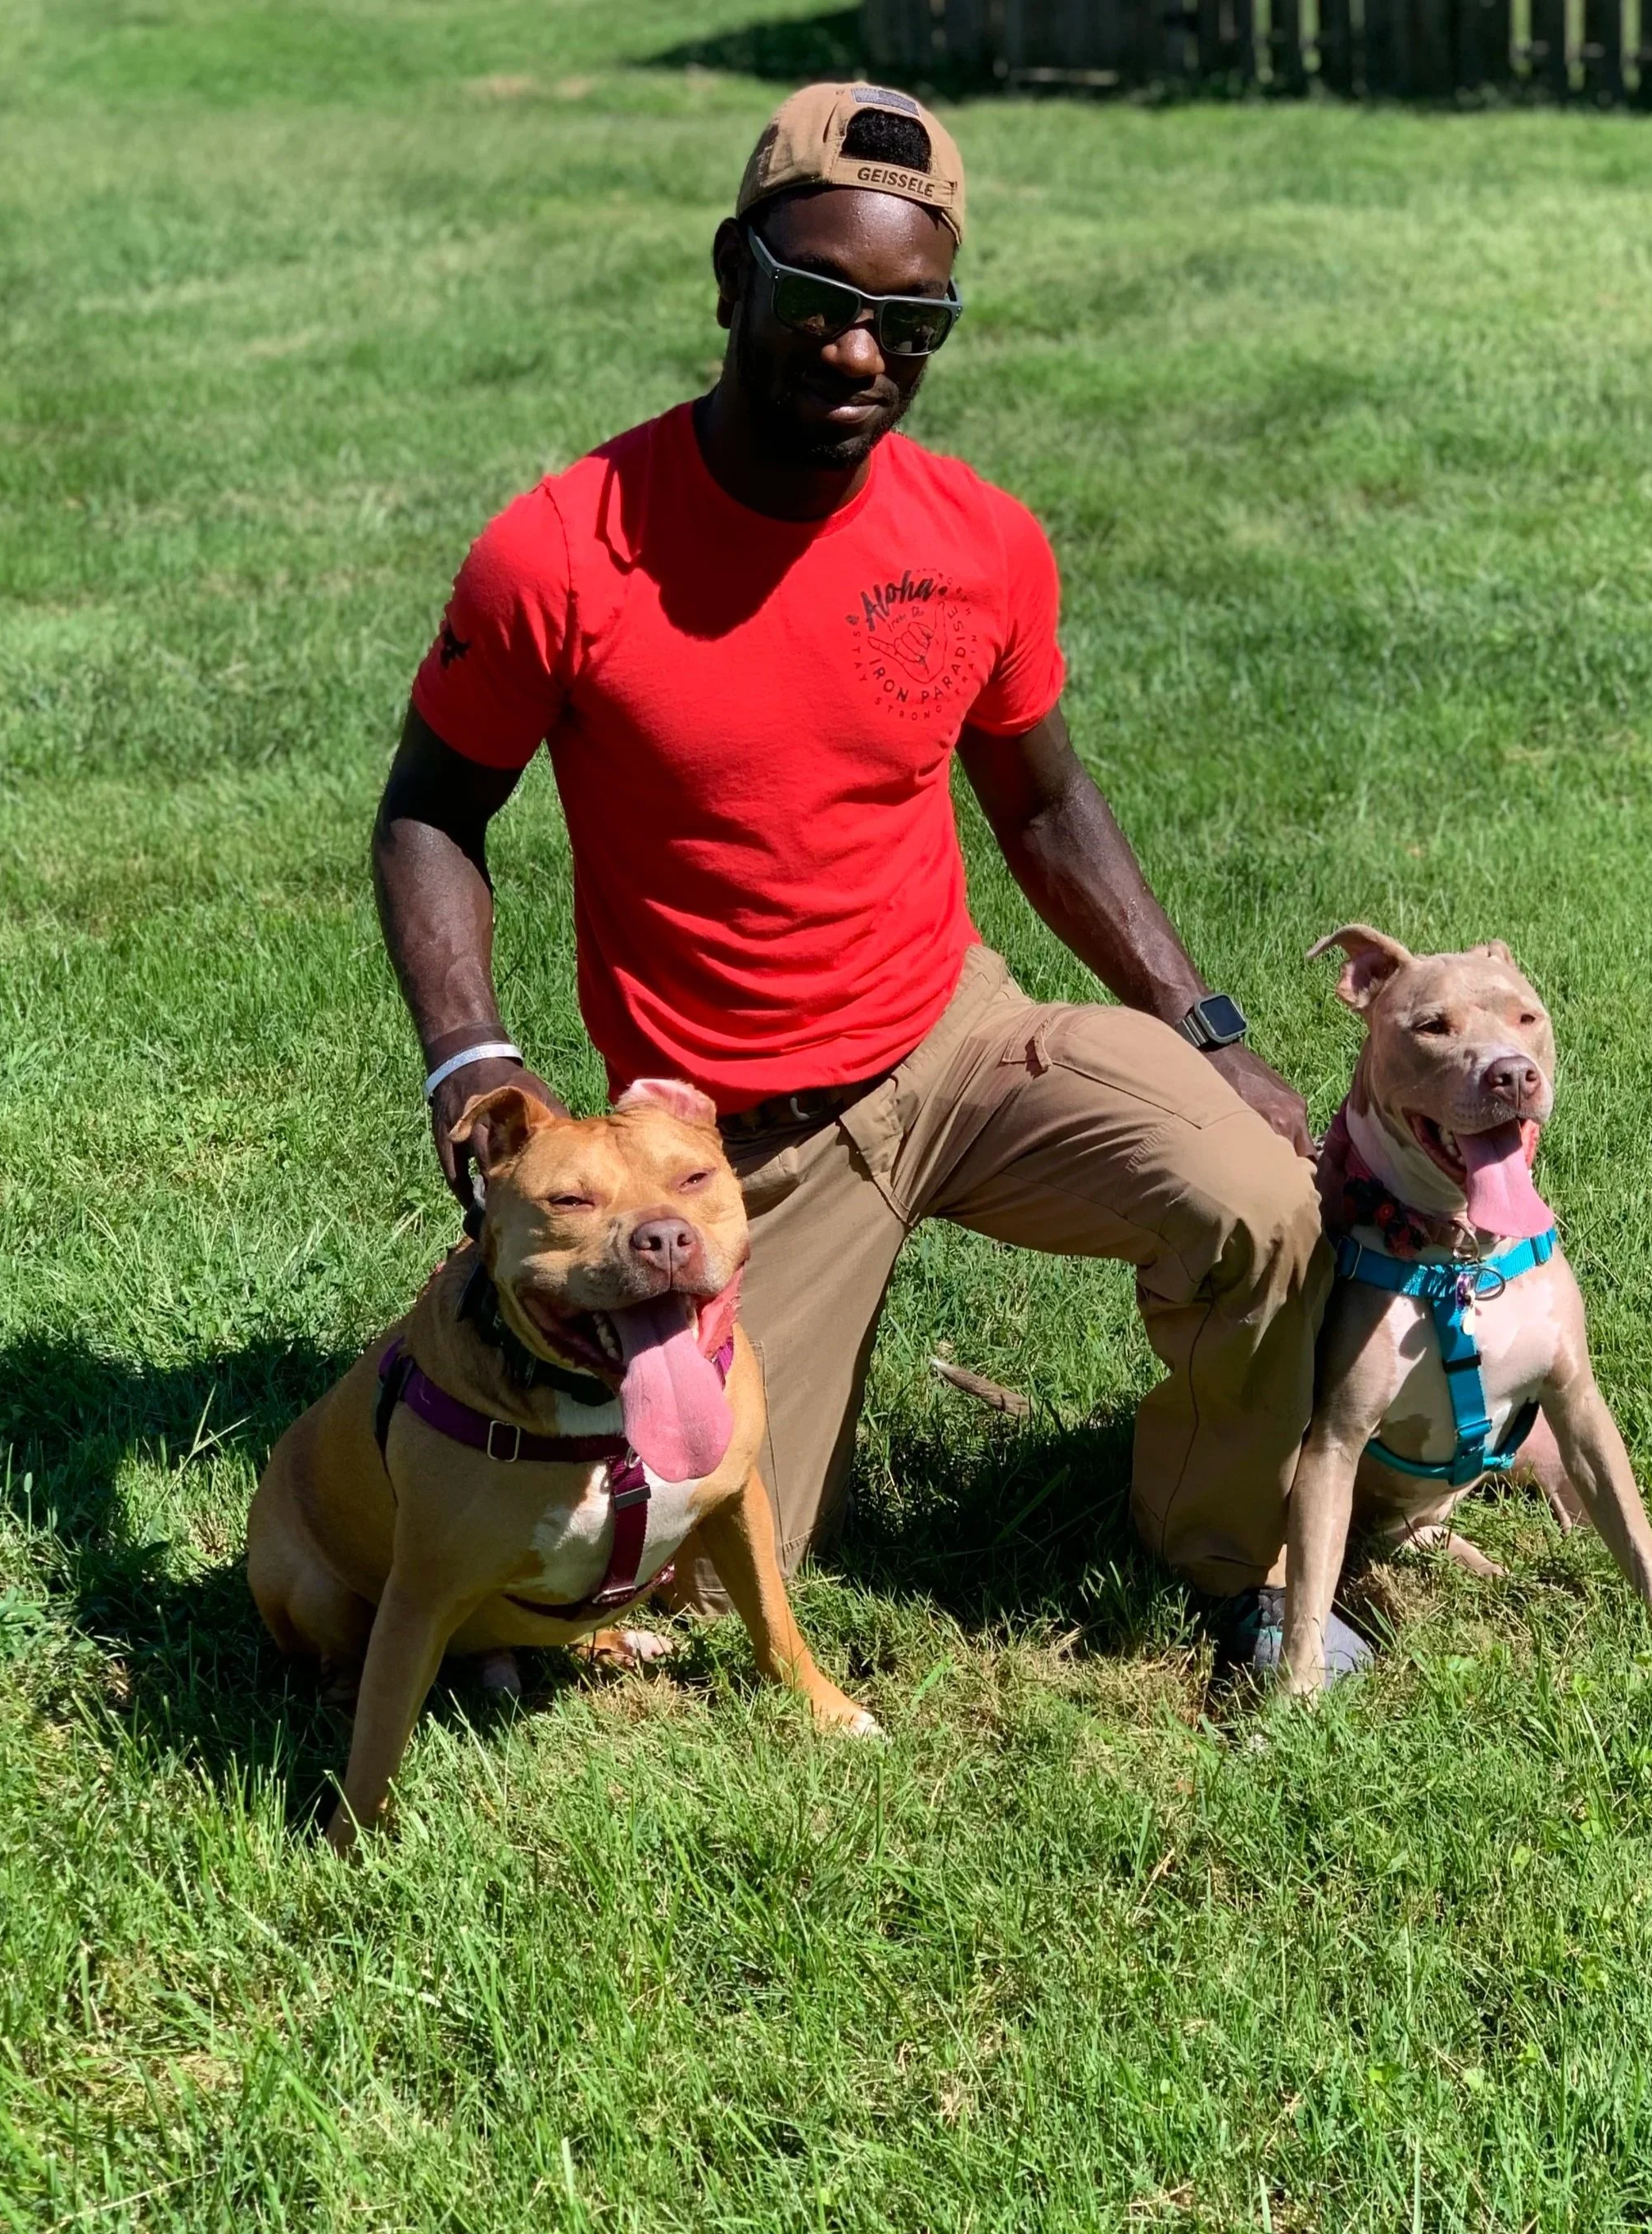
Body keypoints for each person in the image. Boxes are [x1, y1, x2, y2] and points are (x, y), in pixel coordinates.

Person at [371, 81, 1373, 1683]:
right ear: (731, 276)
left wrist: (1205, 1024)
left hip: (958, 1040)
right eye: (820, 302)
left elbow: (1044, 807)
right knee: (686, 1564)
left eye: (909, 322)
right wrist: (469, 1050)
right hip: (738, 1138)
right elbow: (429, 810)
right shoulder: (560, 553)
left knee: (1265, 1195)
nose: (857, 355)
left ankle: (1240, 1559)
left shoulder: (975, 539)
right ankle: (467, 1384)